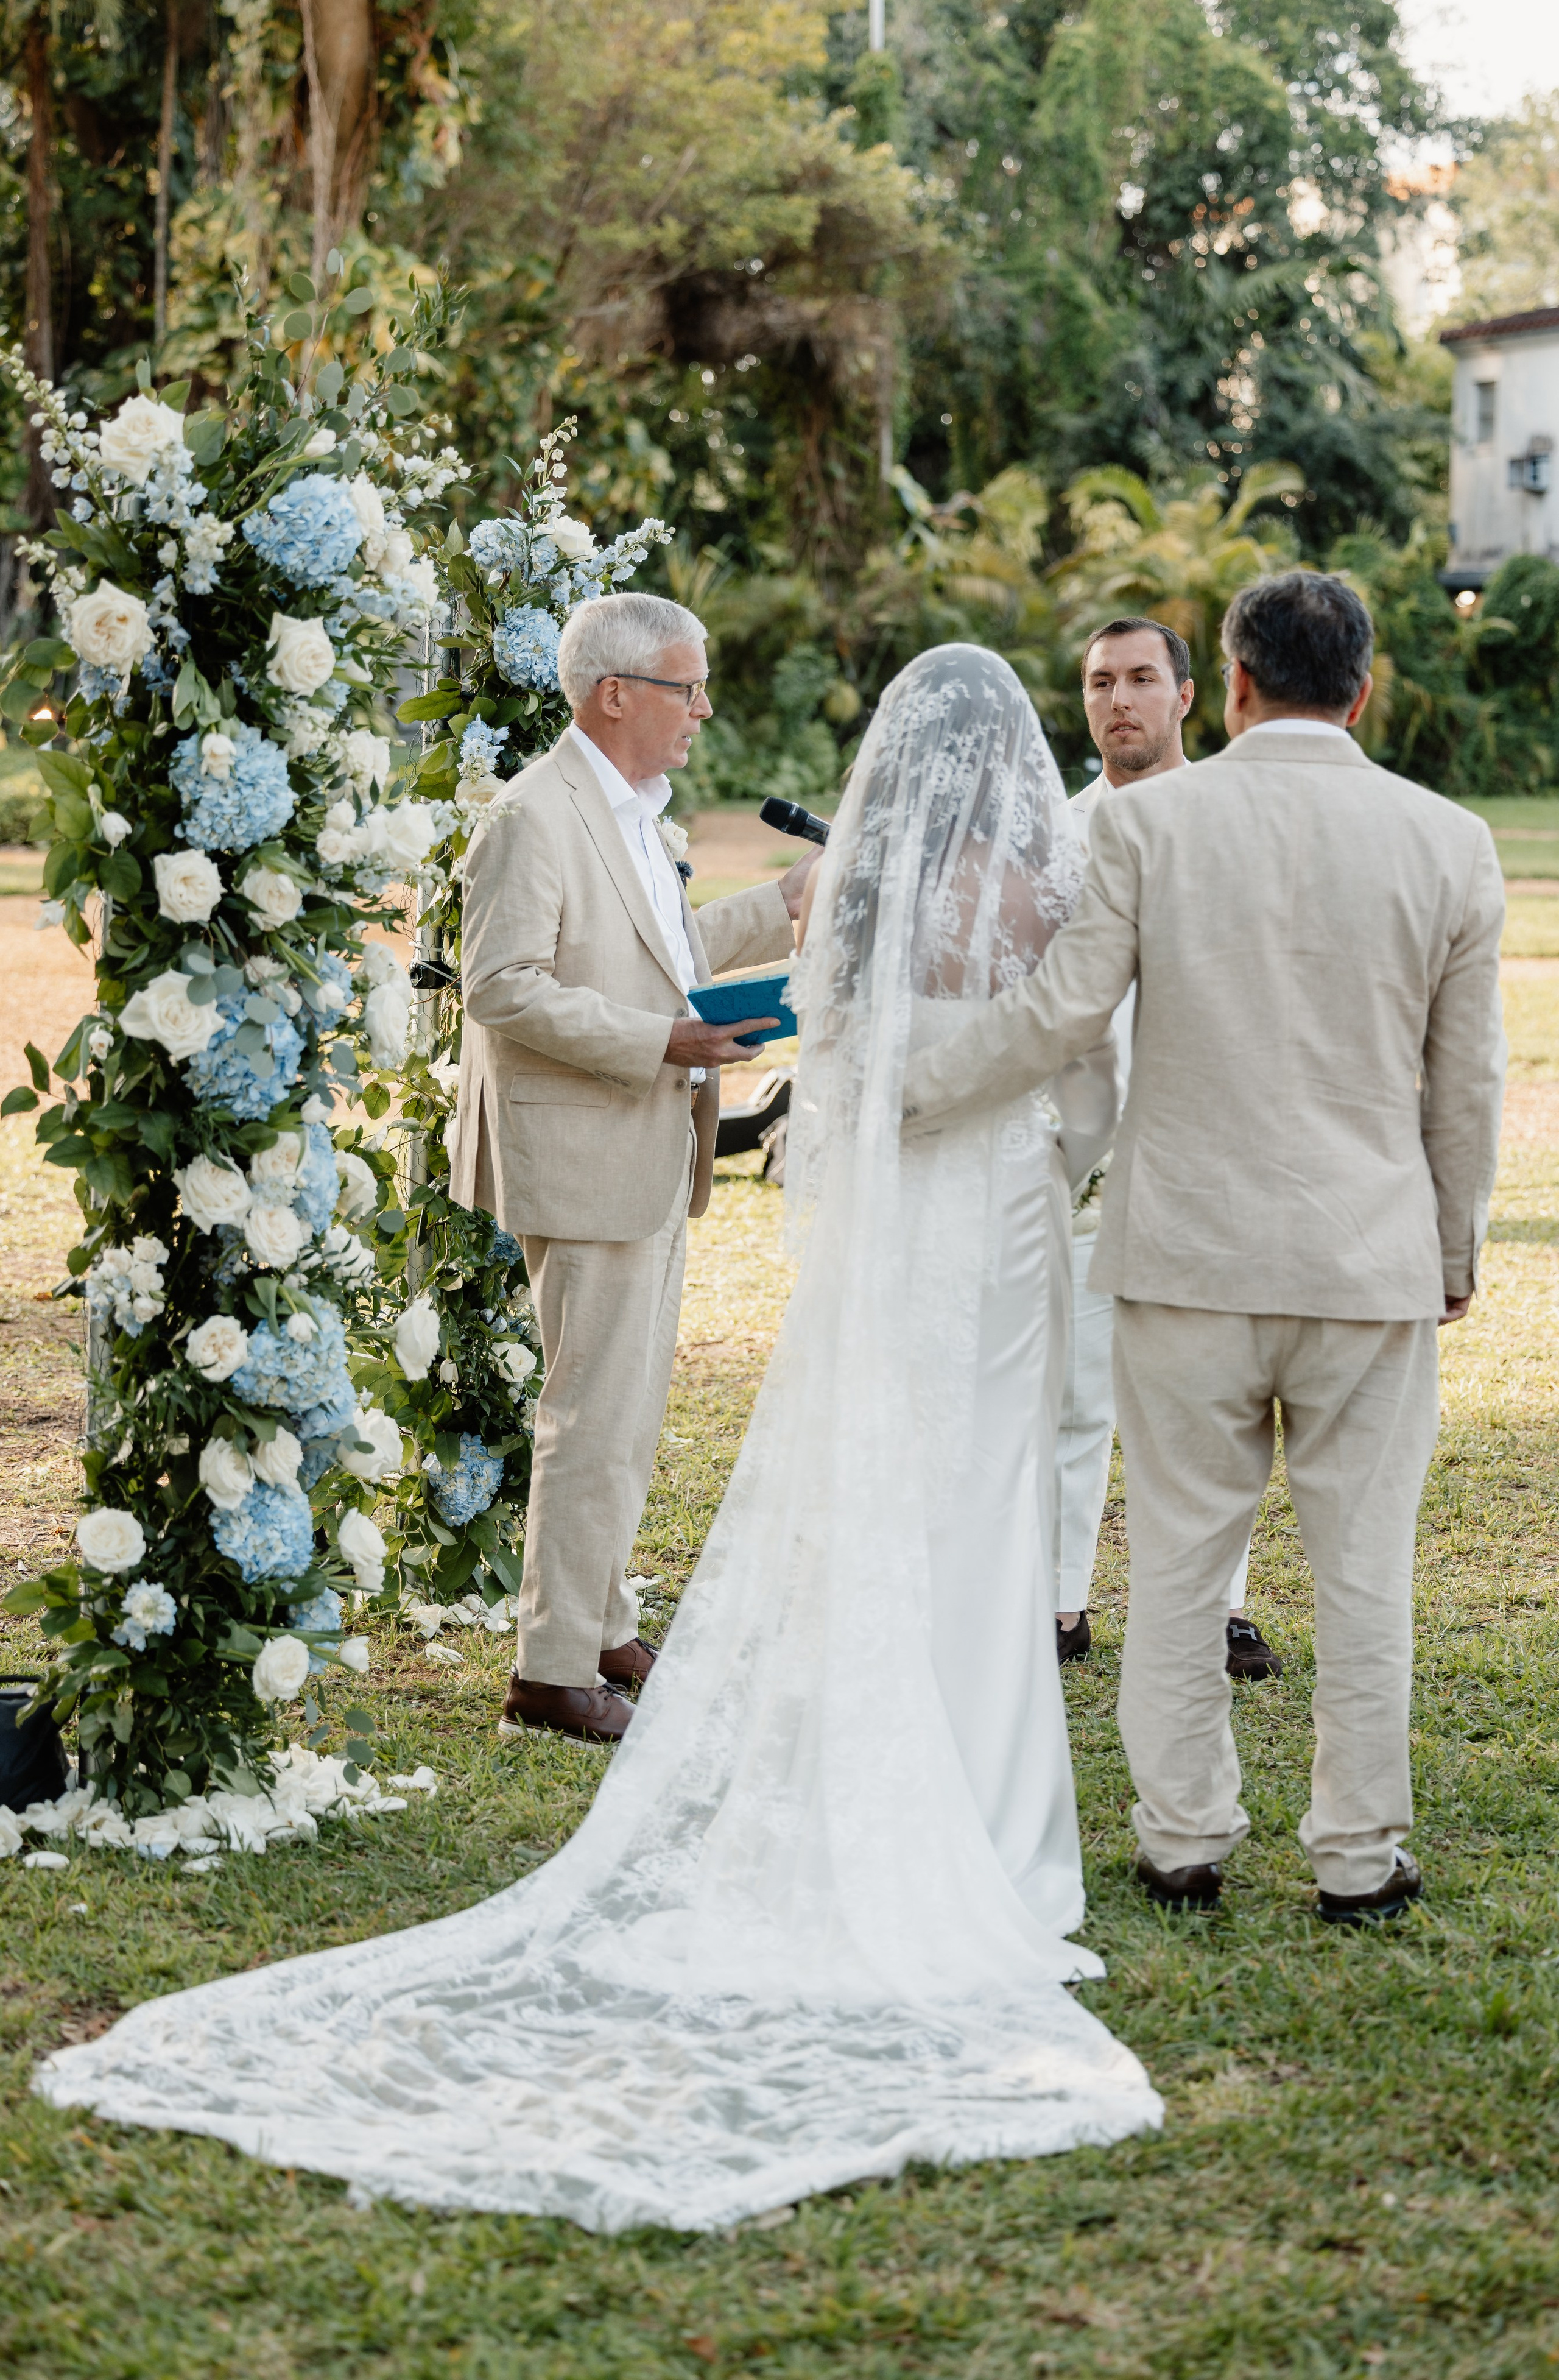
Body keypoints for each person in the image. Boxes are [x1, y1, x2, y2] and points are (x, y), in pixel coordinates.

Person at [37, 645, 1158, 2232]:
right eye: (684, 686)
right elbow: (1078, 1064)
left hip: (898, 1237)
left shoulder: (858, 889)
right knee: (972, 1508)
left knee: (880, 1495)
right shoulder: (1033, 894)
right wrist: (1049, 1141)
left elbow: (817, 1042)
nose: (699, 706)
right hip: (987, 1221)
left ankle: (850, 1768)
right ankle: (965, 1816)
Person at [903, 574, 1505, 1926]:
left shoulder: (1147, 824)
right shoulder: (1450, 840)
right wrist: (1452, 1249)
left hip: (1183, 1257)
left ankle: (1181, 1841)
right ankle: (1358, 1856)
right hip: (1368, 1263)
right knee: (1365, 1575)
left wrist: (908, 1093)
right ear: (1363, 690)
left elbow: (1060, 1018)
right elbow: (1464, 1084)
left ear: (1227, 686)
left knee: (1175, 1563)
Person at [449, 592, 815, 1744]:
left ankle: (602, 1622)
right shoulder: (534, 815)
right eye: (687, 688)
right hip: (582, 1146)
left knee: (629, 1410)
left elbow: (668, 950)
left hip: (647, 1145)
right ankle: (551, 1670)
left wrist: (783, 905)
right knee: (589, 1413)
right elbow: (501, 987)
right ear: (616, 695)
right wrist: (664, 1041)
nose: (703, 710)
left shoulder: (634, 810)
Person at [1055, 618, 1280, 1686]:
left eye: (1142, 678)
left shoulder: (1241, 823)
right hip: (1082, 1167)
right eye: (1101, 681)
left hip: (1213, 1163)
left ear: (1189, 695)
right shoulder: (1053, 836)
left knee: (1211, 1409)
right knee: (1072, 1400)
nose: (1120, 700)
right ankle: (1060, 1601)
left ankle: (1218, 1609)